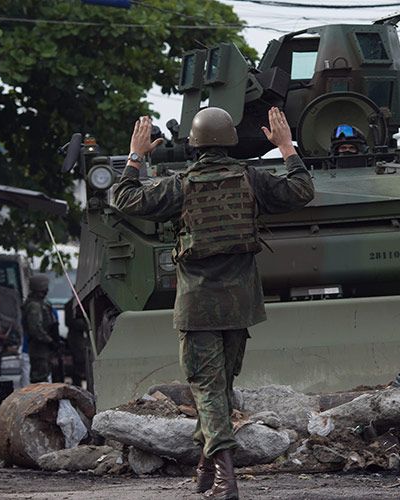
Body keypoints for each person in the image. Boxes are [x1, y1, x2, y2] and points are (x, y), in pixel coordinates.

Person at [113, 107, 314, 500]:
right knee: (220, 385)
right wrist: (286, 147)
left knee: (207, 387)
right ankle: (207, 466)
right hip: (241, 302)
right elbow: (301, 191)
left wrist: (136, 155)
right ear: (231, 141)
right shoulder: (250, 178)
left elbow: (124, 198)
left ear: (193, 142)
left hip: (199, 302)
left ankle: (225, 478)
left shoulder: (181, 185)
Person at [22, 274, 59, 383]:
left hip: (43, 349)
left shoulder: (41, 304)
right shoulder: (34, 305)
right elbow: (35, 329)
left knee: (44, 377)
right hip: (39, 349)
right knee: (39, 379)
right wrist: (50, 341)